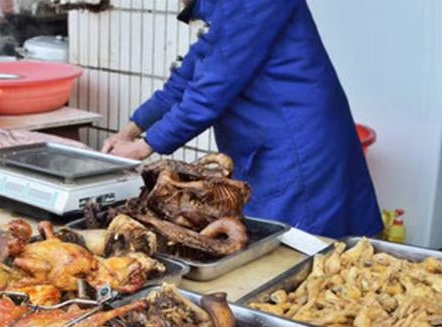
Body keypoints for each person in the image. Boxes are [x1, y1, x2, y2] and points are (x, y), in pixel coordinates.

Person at [102, 0, 383, 238]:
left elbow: (211, 89)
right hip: (272, 146)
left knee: (296, 253)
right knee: (276, 246)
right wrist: (129, 132)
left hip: (296, 151)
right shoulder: (229, 9)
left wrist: (145, 146)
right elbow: (187, 76)